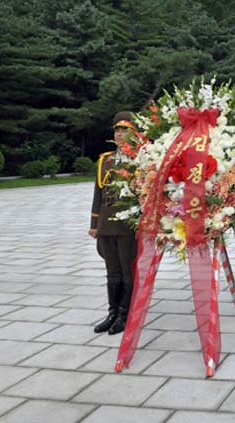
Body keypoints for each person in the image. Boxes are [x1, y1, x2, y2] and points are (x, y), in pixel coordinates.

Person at [89, 111, 138, 335]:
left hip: (127, 223)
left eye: (125, 130)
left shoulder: (140, 159)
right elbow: (98, 194)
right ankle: (112, 313)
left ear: (134, 133)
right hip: (107, 223)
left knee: (127, 270)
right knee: (112, 270)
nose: (119, 134)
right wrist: (94, 223)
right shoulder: (105, 160)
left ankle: (124, 314)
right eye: (117, 130)